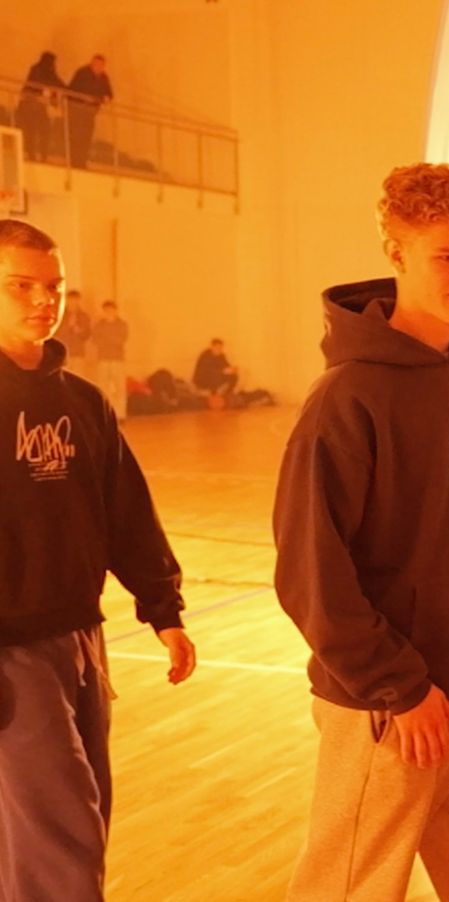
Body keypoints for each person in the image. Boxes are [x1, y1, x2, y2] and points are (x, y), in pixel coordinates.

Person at [273, 163, 449, 901]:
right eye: (446, 257)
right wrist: (399, 686)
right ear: (396, 254)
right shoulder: (344, 400)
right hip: (389, 705)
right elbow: (309, 574)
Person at [0, 218, 196, 901]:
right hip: (11, 652)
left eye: (53, 286)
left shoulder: (83, 402)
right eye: (20, 285)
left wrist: (163, 609)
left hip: (82, 639)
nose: (42, 300)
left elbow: (126, 512)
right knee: (64, 834)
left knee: (73, 819)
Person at [66, 55, 114, 169]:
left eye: (101, 65)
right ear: (92, 63)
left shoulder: (103, 77)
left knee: (86, 137)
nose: (98, 67)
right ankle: (74, 161)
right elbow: (73, 89)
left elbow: (109, 93)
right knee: (77, 136)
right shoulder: (82, 73)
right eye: (96, 64)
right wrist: (83, 98)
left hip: (90, 112)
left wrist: (105, 98)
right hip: (78, 109)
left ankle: (81, 161)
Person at [16, 52, 66, 162]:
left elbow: (58, 83)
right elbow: (41, 84)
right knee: (32, 131)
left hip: (38, 106)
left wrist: (65, 90)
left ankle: (42, 155)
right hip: (30, 105)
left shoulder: (48, 72)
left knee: (42, 131)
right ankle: (33, 155)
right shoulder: (38, 70)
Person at [92, 300, 129, 418]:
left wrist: (106, 338)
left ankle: (121, 414)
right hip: (103, 358)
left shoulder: (122, 324)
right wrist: (110, 339)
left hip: (117, 359)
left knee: (119, 387)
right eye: (106, 310)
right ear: (103, 311)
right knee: (103, 387)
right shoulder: (99, 325)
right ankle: (105, 414)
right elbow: (96, 340)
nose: (109, 313)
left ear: (115, 311)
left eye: (111, 310)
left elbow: (121, 340)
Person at [57, 291, 92, 372]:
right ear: (67, 300)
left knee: (78, 375)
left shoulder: (84, 316)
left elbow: (87, 335)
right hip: (63, 351)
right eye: (71, 300)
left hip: (78, 352)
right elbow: (56, 333)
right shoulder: (60, 315)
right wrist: (68, 325)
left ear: (79, 301)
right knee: (63, 376)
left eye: (75, 300)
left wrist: (79, 332)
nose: (73, 303)